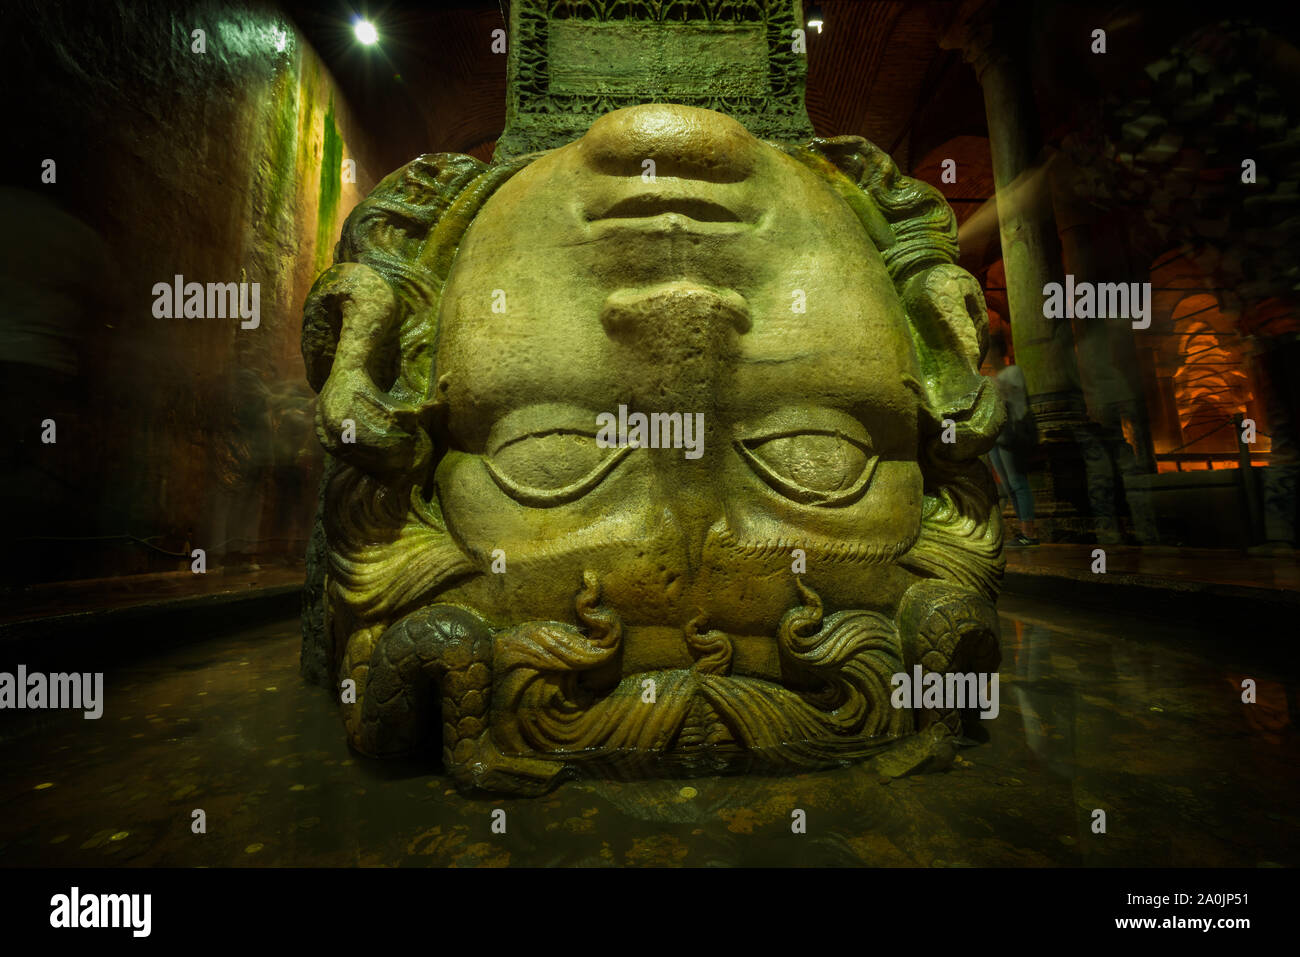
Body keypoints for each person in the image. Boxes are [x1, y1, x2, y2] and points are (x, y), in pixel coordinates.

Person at [986, 327, 1039, 546]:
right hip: (996, 437)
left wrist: (992, 386)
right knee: (1007, 485)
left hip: (1010, 433)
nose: (986, 356)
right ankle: (1022, 529)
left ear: (997, 351)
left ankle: (1030, 532)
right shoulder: (993, 377)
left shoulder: (1012, 372)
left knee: (1017, 482)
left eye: (988, 351)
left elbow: (1014, 399)